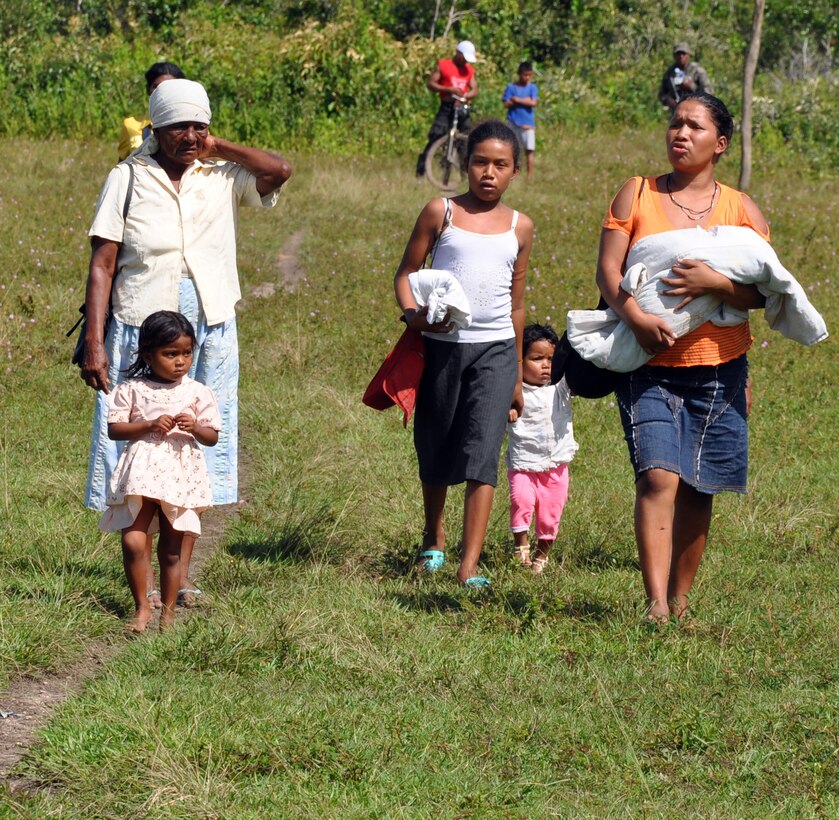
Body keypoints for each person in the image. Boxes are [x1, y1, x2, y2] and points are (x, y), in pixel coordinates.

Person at [81, 78, 291, 607]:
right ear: (156, 128)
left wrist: (218, 146)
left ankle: (180, 575)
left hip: (209, 327)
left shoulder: (222, 175)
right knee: (135, 448)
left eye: (199, 125)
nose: (190, 136)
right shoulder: (126, 177)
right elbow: (103, 264)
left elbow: (279, 171)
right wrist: (95, 341)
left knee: (194, 443)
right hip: (138, 328)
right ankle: (140, 579)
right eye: (179, 127)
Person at [596, 93, 769, 622]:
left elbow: (763, 294)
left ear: (719, 144)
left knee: (701, 485)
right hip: (648, 367)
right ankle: (655, 604)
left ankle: (681, 597)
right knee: (658, 477)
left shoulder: (741, 209)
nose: (680, 133)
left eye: (694, 127)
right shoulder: (637, 193)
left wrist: (715, 282)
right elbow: (607, 273)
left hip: (721, 369)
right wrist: (638, 319)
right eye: (675, 123)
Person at [395, 119, 534, 588]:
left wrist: (516, 374)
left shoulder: (520, 227)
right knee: (434, 444)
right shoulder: (442, 212)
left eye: (501, 164)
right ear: (465, 164)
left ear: (515, 171)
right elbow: (406, 273)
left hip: (494, 352)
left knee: (482, 453)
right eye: (480, 162)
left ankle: (468, 564)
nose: (489, 173)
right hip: (441, 350)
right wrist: (414, 316)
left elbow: (516, 305)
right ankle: (433, 537)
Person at [99, 311, 221, 632]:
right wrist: (149, 425)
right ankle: (142, 607)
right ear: (147, 354)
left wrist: (194, 427)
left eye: (186, 353)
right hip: (140, 477)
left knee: (170, 551)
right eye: (170, 354)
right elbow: (115, 429)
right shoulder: (132, 389)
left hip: (178, 479)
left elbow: (212, 436)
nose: (180, 361)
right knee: (134, 543)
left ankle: (168, 615)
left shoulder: (197, 392)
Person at [506, 323, 577, 574]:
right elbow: (506, 409)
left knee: (550, 513)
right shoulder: (515, 391)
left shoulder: (561, 385)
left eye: (550, 358)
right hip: (523, 463)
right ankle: (521, 546)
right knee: (521, 501)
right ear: (520, 361)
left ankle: (541, 556)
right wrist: (510, 410)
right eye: (536, 358)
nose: (546, 365)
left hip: (556, 465)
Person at [415, 41, 478, 179]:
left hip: (462, 108)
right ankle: (421, 172)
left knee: (466, 139)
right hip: (446, 107)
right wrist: (448, 89)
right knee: (436, 135)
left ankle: (466, 174)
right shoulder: (444, 65)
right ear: (458, 53)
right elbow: (431, 84)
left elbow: (474, 88)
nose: (465, 62)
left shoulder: (469, 70)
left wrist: (468, 95)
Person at [118, 61, 186, 161]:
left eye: (169, 87)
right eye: (156, 87)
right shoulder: (130, 125)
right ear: (148, 90)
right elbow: (122, 164)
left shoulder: (193, 126)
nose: (162, 92)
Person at [502, 61, 539, 180]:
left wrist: (517, 99)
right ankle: (511, 173)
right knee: (511, 150)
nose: (527, 77)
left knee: (529, 150)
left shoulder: (532, 87)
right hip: (513, 122)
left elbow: (533, 102)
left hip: (528, 125)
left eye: (529, 75)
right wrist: (525, 100)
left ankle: (530, 175)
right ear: (519, 74)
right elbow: (506, 103)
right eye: (525, 75)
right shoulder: (511, 87)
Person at [659, 43, 712, 111]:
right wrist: (667, 100)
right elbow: (662, 94)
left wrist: (692, 86)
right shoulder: (670, 72)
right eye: (678, 54)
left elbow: (708, 93)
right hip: (677, 111)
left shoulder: (697, 70)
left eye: (683, 53)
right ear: (675, 56)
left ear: (688, 55)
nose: (681, 56)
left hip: (695, 110)